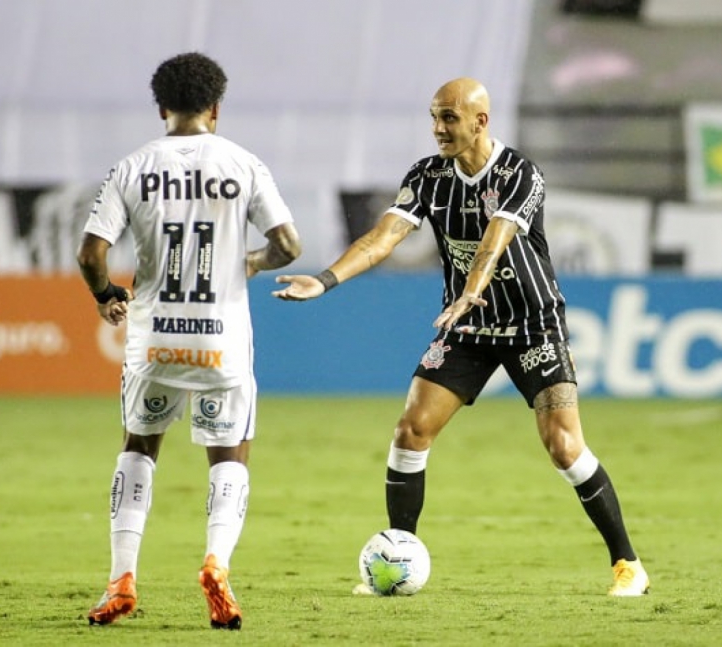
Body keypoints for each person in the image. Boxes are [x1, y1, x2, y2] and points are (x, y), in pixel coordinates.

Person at [272, 77, 649, 597]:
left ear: (481, 121)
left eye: (449, 117)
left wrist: (473, 288)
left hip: (531, 324)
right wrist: (326, 279)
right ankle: (397, 554)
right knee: (411, 430)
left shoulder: (520, 172)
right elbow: (384, 237)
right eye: (433, 117)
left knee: (563, 447)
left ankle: (627, 564)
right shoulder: (428, 177)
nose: (438, 129)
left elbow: (497, 236)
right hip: (466, 327)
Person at [77, 51, 302, 630]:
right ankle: (216, 566)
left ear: (161, 107)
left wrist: (106, 295)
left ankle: (121, 579)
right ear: (216, 107)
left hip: (153, 342)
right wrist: (246, 262)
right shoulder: (244, 163)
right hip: (221, 343)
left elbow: (91, 253)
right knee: (229, 456)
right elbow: (289, 246)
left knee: (138, 447)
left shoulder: (133, 167)